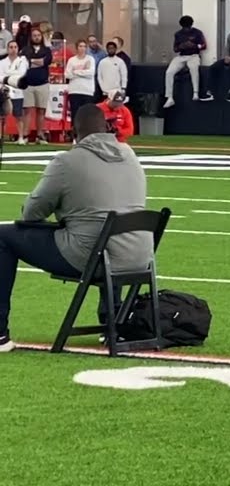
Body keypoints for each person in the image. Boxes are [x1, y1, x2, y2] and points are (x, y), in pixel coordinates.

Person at [0, 105, 149, 352]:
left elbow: (32, 213)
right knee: (106, 230)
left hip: (93, 256)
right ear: (107, 128)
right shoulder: (130, 155)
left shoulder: (67, 161)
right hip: (138, 257)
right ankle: (112, 323)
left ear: (73, 132)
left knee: (3, 237)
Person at [163, 15, 207, 108]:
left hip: (193, 55)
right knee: (169, 72)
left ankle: (195, 93)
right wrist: (181, 46)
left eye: (188, 27)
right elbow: (175, 49)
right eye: (184, 28)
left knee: (194, 68)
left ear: (191, 25)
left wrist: (194, 45)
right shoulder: (178, 34)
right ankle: (169, 97)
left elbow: (204, 45)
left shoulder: (197, 33)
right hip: (182, 56)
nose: (186, 29)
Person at [21, 28, 52, 145]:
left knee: (41, 110)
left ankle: (40, 135)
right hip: (27, 84)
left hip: (42, 83)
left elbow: (46, 62)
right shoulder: (25, 50)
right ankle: (25, 135)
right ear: (31, 37)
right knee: (27, 110)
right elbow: (25, 63)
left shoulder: (47, 50)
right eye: (34, 35)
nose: (37, 37)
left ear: (41, 36)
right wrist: (38, 61)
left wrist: (32, 61)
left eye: (38, 35)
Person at [0, 40, 27, 141]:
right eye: (11, 47)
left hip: (17, 91)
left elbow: (21, 74)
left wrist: (7, 75)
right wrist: (12, 75)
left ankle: (21, 137)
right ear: (7, 49)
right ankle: (1, 136)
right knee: (2, 115)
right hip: (4, 91)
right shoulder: (2, 62)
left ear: (18, 49)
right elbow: (0, 76)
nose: (13, 49)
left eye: (15, 47)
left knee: (18, 115)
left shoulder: (22, 61)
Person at [65, 39, 98, 121]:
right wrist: (84, 71)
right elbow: (67, 75)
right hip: (74, 90)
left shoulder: (90, 59)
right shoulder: (72, 60)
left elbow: (91, 73)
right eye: (80, 46)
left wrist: (75, 72)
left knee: (87, 115)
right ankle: (74, 129)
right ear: (77, 48)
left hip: (87, 91)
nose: (82, 48)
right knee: (75, 114)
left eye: (84, 46)